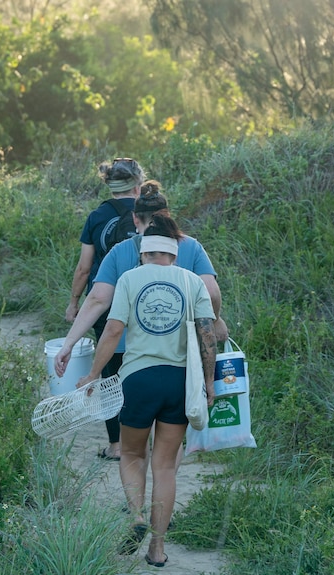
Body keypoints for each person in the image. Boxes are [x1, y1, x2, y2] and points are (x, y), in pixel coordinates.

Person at [75, 216, 217, 567]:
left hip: (138, 380)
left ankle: (137, 515)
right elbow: (207, 336)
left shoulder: (129, 279)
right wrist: (210, 383)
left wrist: (94, 373)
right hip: (178, 383)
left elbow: (111, 331)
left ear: (144, 251)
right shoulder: (191, 281)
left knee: (131, 455)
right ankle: (158, 549)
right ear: (174, 251)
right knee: (165, 467)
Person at [55, 182, 228, 460]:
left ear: (135, 218)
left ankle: (124, 464)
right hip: (178, 355)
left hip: (127, 353)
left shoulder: (121, 251)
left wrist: (68, 344)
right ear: (168, 215)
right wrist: (215, 320)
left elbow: (97, 300)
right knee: (167, 452)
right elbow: (211, 291)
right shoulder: (191, 247)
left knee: (132, 441)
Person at [64, 158, 144, 460]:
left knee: (110, 376)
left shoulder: (97, 216)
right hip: (144, 301)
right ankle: (146, 438)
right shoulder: (147, 212)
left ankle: (116, 445)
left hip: (105, 302)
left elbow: (85, 268)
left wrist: (74, 304)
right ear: (137, 185)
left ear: (108, 186)